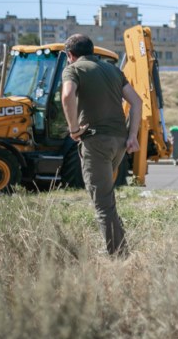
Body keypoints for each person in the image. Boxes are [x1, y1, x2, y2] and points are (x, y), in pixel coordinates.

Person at [61, 34, 142, 257]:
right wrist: (132, 136)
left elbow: (67, 96)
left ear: (70, 54)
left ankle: (119, 257)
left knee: (103, 204)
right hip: (119, 142)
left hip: (96, 141)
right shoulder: (113, 70)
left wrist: (74, 129)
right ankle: (121, 247)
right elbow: (137, 102)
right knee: (107, 198)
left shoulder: (73, 69)